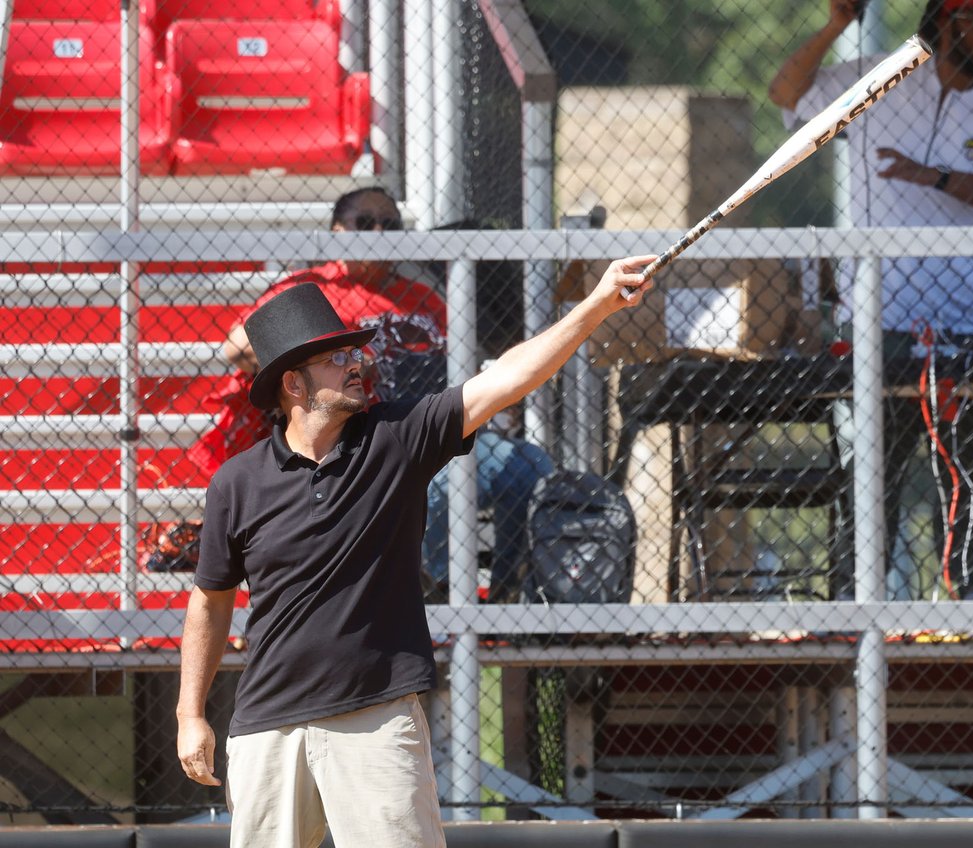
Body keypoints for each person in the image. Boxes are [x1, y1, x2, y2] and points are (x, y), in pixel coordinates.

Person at [175, 257, 654, 847]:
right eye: (337, 356)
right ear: (293, 385)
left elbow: (508, 379)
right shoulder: (237, 482)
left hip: (375, 716)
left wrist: (598, 304)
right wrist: (190, 714)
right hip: (267, 725)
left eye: (355, 351)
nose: (359, 363)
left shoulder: (395, 438)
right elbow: (210, 603)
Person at [768, 0, 973, 599]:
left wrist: (933, 176)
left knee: (971, 477)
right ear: (944, 19)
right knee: (869, 474)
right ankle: (853, 599)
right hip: (882, 322)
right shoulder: (880, 80)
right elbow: (786, 93)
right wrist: (836, 25)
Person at [186, 187, 448, 485]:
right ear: (337, 232)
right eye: (364, 222)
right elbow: (238, 349)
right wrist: (333, 360)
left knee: (511, 468)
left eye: (389, 225)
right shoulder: (313, 288)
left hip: (426, 427)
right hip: (351, 444)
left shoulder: (423, 297)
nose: (378, 231)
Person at [422, 372, 555, 603]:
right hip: (420, 437)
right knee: (436, 485)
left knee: (531, 465)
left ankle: (506, 595)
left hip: (468, 433)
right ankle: (436, 587)